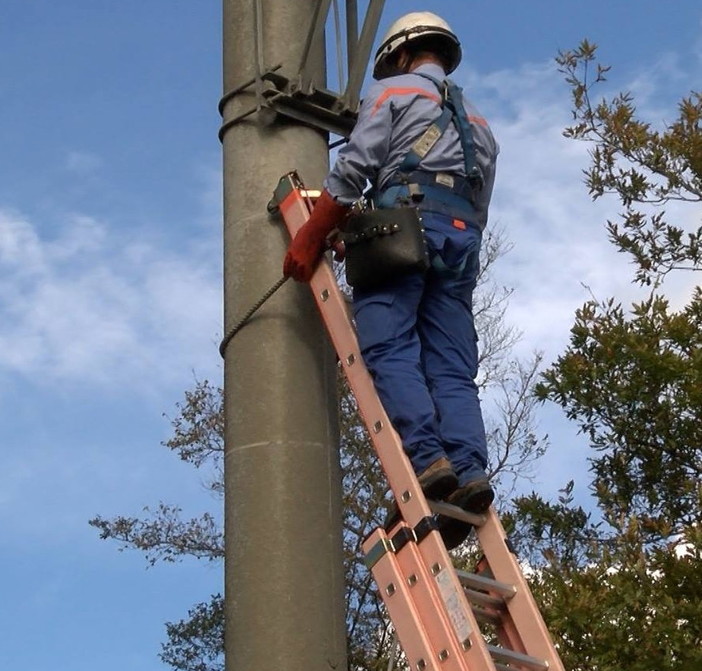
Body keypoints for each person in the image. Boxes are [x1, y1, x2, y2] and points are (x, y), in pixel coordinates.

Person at [283, 12, 499, 549]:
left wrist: (315, 232)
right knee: (451, 365)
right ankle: (470, 470)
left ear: (402, 54)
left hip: (404, 233)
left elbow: (353, 168)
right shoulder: (479, 122)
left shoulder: (393, 94)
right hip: (461, 242)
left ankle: (429, 461)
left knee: (389, 347)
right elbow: (480, 203)